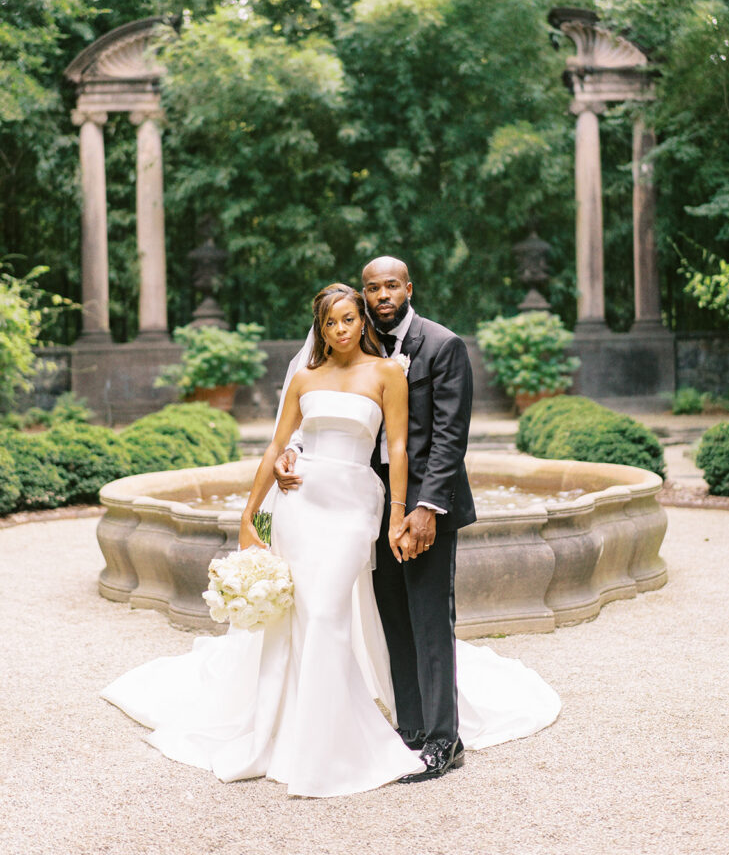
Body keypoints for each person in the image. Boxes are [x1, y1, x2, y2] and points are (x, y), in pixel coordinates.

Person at [101, 283, 560, 798]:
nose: (340, 329)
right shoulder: (304, 376)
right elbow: (280, 442)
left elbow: (400, 449)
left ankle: (329, 745)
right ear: (319, 329)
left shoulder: (387, 372)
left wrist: (398, 515)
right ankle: (294, 728)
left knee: (325, 612)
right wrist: (249, 515)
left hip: (352, 509)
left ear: (362, 321)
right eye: (330, 323)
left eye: (348, 319)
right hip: (302, 505)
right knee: (304, 614)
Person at [275, 257, 475, 782]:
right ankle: (410, 728)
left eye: (391, 285)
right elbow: (319, 415)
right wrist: (293, 451)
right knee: (393, 619)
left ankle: (443, 741)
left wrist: (424, 510)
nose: (382, 294)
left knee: (430, 620)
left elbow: (450, 439)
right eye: (372, 288)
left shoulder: (442, 346)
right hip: (364, 506)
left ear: (409, 288)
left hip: (423, 504)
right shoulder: (356, 347)